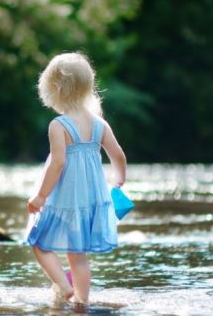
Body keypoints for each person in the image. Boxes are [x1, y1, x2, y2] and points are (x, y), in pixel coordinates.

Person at [27, 52, 126, 305]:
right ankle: (81, 301)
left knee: (38, 241)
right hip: (90, 199)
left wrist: (40, 196)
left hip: (64, 197)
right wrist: (119, 180)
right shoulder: (100, 124)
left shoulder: (58, 125)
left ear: (55, 89)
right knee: (78, 255)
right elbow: (118, 155)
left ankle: (62, 284)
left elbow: (58, 162)